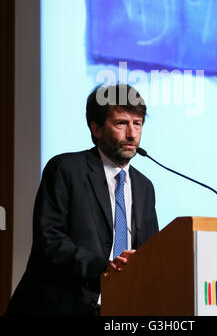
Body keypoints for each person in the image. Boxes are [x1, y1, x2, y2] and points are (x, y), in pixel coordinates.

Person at [5, 83, 159, 316]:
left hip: (118, 310)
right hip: (60, 309)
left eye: (137, 124)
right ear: (96, 128)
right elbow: (51, 241)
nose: (132, 134)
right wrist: (104, 269)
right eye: (121, 123)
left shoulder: (145, 187)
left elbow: (150, 250)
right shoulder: (65, 169)